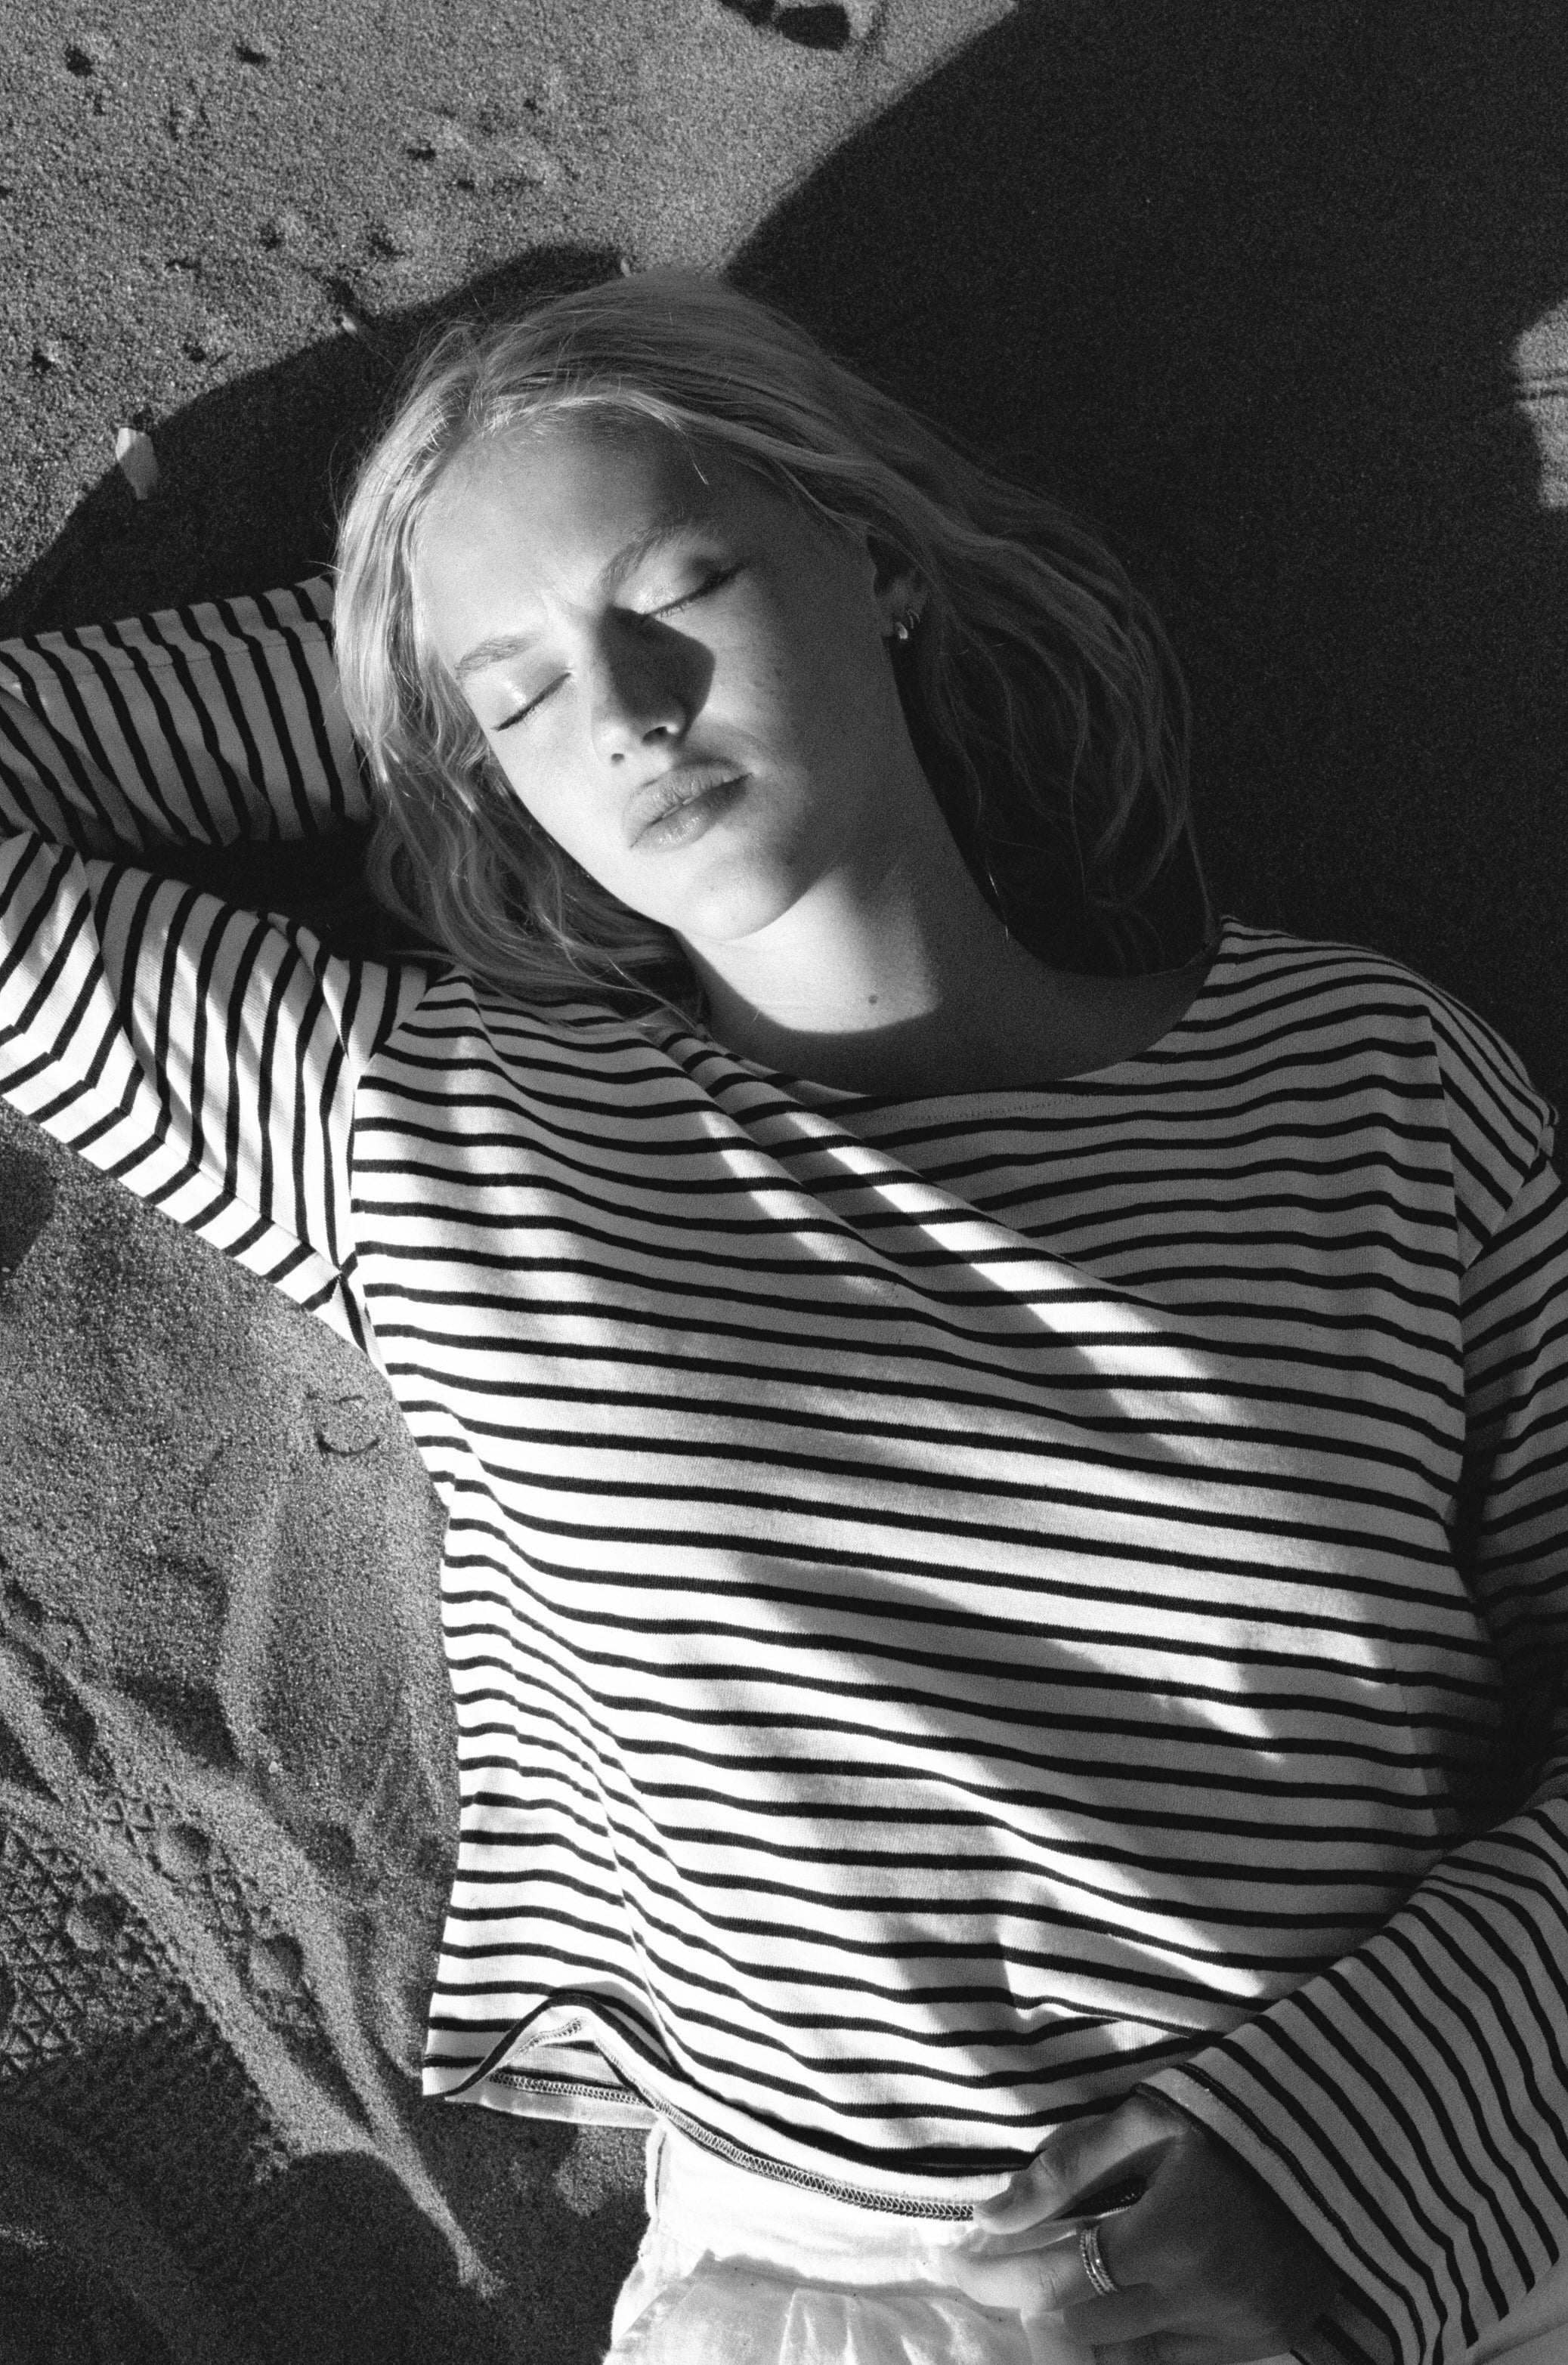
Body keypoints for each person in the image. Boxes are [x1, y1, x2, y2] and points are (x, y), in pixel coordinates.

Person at [2, 267, 1566, 2365]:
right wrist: (401, 657)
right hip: (831, 2299)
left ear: (879, 561)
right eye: (525, 689)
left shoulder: (1371, 1081)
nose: (629, 704)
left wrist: (1349, 2156)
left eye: (684, 583)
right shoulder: (440, 1133)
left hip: (1420, 2233)